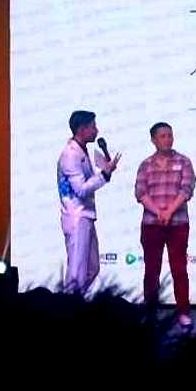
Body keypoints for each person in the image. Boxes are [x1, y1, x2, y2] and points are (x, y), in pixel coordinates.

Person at [134, 122, 196, 327]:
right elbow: (140, 193)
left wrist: (169, 211)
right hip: (152, 223)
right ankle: (151, 312)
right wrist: (159, 212)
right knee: (152, 270)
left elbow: (187, 189)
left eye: (170, 135)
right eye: (163, 136)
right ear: (153, 140)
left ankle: (183, 312)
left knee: (179, 269)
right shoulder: (146, 165)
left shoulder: (184, 161)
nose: (168, 139)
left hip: (178, 223)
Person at [57, 110, 121, 294]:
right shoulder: (70, 155)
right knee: (77, 272)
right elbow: (81, 190)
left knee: (92, 268)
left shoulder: (83, 150)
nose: (96, 130)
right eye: (93, 127)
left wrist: (105, 171)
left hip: (86, 215)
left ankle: (75, 302)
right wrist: (104, 174)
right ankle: (70, 306)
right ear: (82, 129)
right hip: (76, 217)